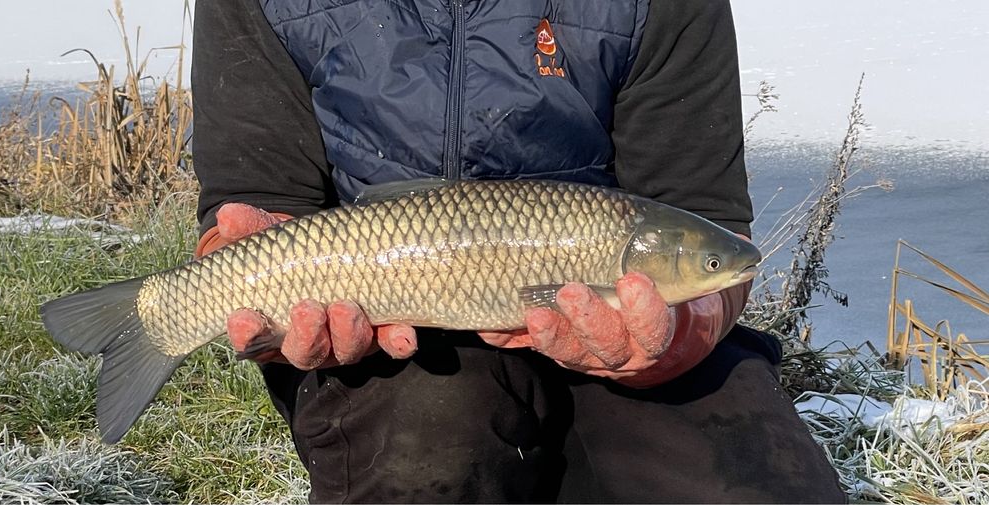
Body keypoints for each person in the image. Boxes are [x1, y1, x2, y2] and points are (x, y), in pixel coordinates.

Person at [191, 0, 846, 502]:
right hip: (393, 337)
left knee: (759, 481)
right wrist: (253, 287)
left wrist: (678, 333)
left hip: (615, 322)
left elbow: (707, 222)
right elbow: (257, 193)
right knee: (427, 443)